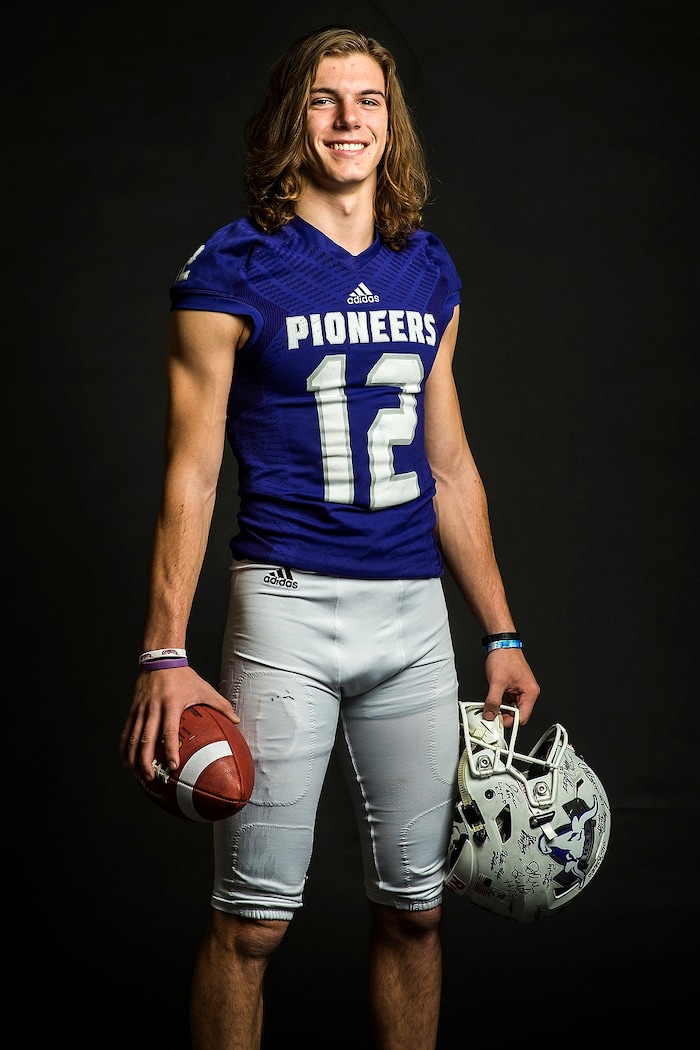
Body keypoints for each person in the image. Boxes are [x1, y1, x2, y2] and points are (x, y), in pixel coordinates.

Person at [119, 24, 539, 1050]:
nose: (348, 120)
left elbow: (448, 466)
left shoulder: (426, 268)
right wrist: (164, 651)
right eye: (323, 99)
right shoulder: (234, 265)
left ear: (391, 125)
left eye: (368, 101)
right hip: (287, 611)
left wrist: (502, 632)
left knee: (417, 911)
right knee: (253, 923)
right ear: (288, 119)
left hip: (412, 620)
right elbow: (193, 468)